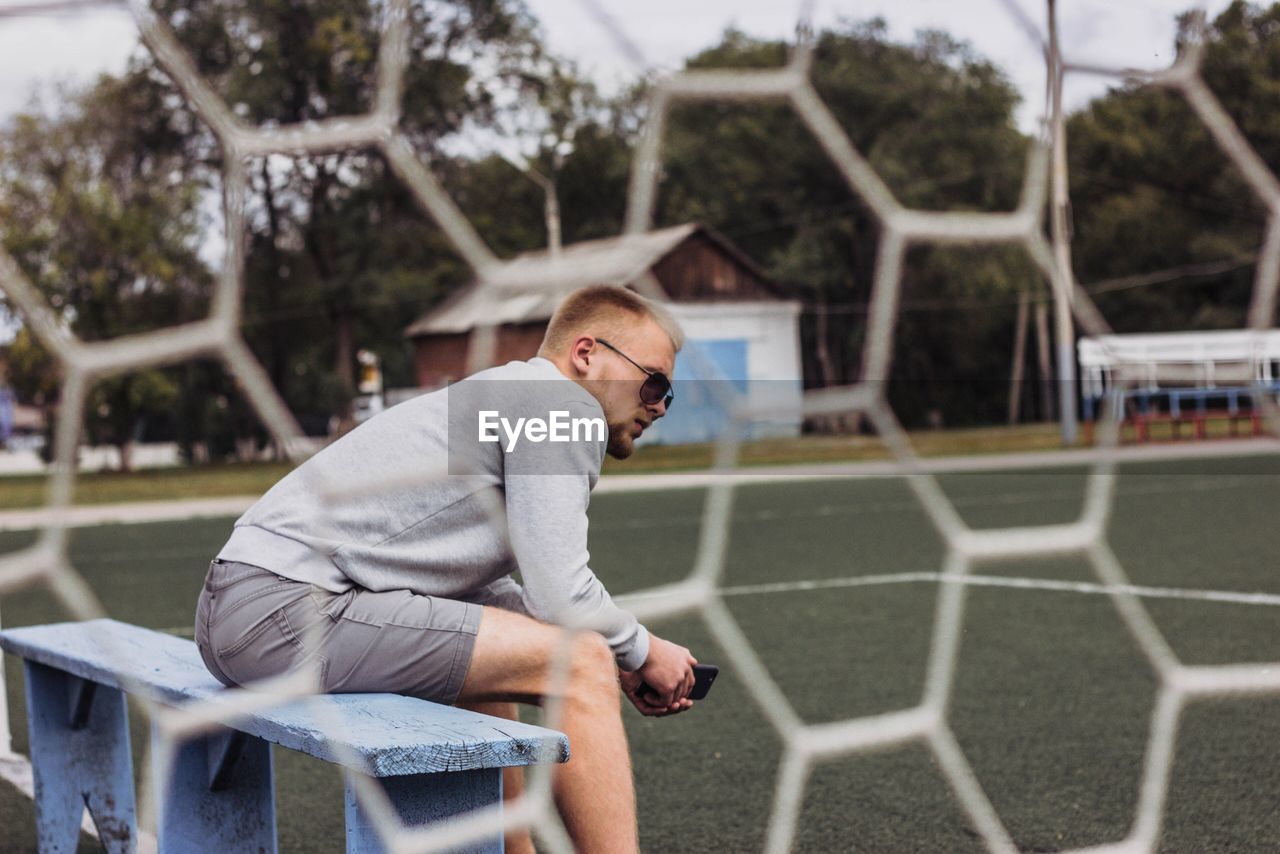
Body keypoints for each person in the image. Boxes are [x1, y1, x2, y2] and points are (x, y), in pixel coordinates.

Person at [194, 284, 698, 853]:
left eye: (668, 394)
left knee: (501, 645)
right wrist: (639, 649)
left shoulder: (505, 393)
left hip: (248, 605)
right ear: (587, 354)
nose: (658, 405)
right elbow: (562, 594)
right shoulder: (563, 406)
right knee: (575, 663)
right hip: (281, 611)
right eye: (652, 382)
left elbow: (492, 594)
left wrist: (619, 656)